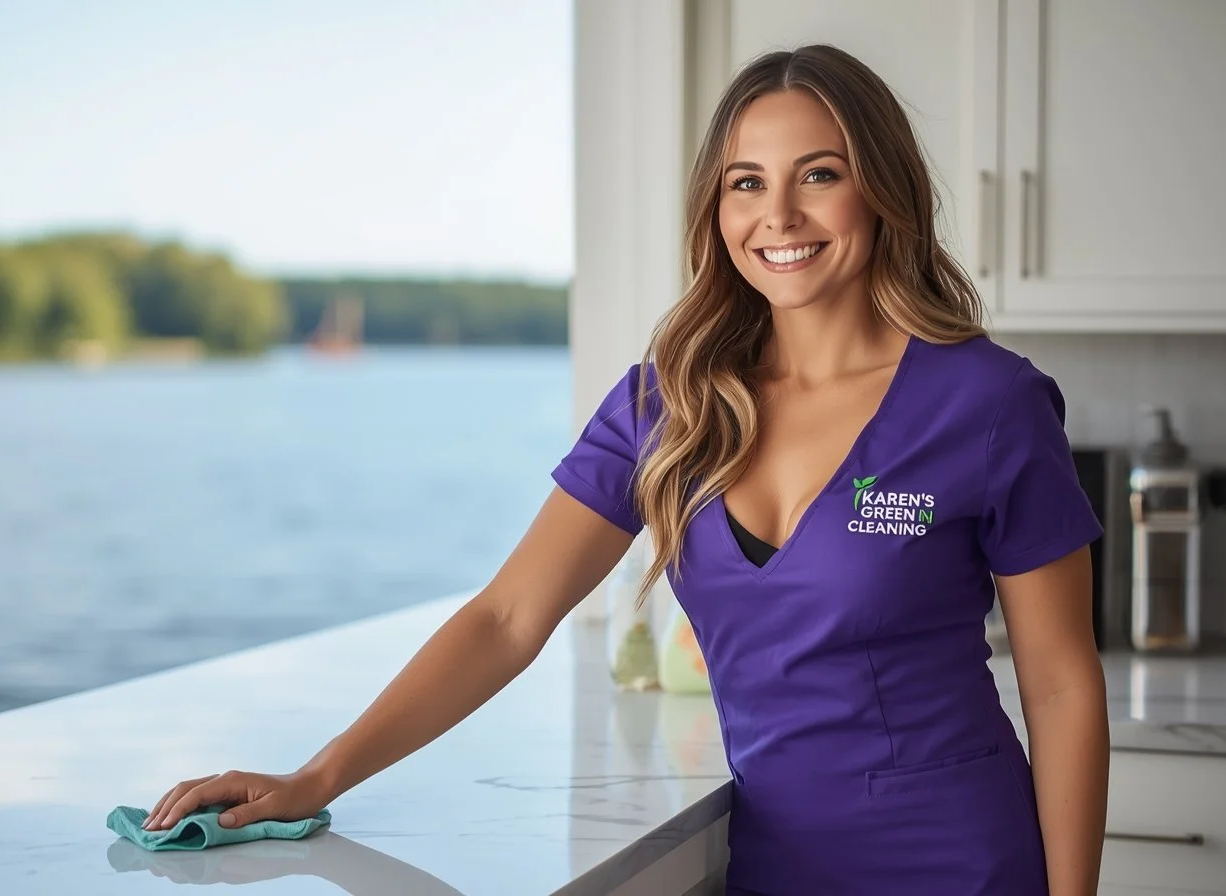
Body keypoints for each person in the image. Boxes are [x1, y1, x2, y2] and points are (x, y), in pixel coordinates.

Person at [142, 45, 1110, 895]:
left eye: (818, 174)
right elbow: (506, 617)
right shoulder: (668, 405)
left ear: (882, 190)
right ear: (715, 206)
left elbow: (1061, 684)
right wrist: (317, 777)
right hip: (776, 868)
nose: (778, 213)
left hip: (962, 866)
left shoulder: (987, 402)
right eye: (745, 182)